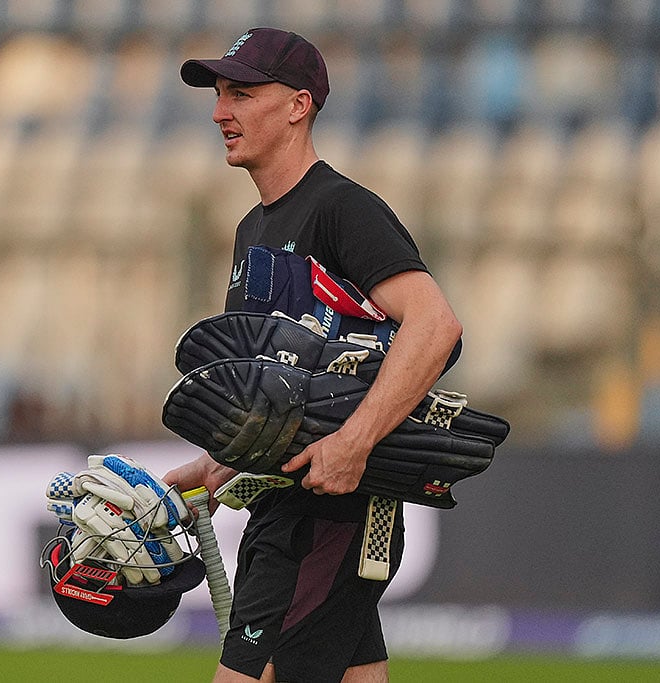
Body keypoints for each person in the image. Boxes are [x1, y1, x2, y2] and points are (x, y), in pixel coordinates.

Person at [163, 28, 463, 683]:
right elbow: (275, 390)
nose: (220, 112)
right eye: (218, 94)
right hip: (291, 507)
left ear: (299, 105)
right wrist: (215, 462)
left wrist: (354, 440)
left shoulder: (341, 208)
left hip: (328, 514)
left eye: (241, 93)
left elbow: (435, 325)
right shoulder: (253, 230)